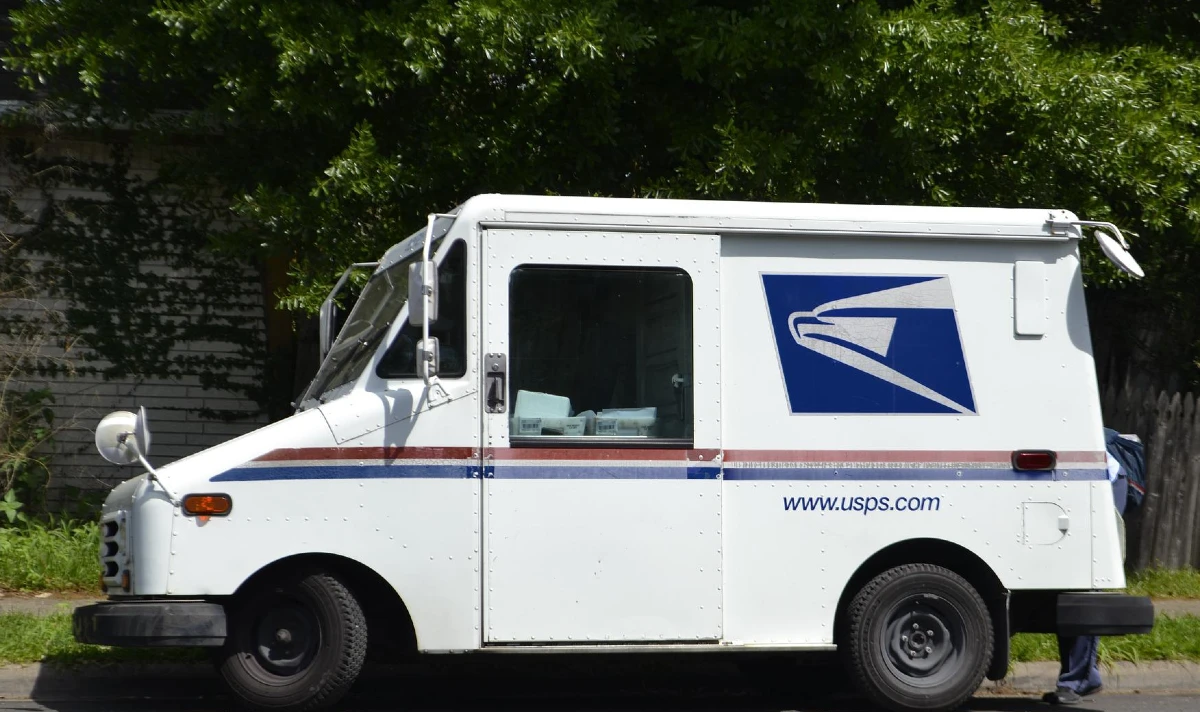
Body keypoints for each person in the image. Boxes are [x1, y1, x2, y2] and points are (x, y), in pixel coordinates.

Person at [1043, 430, 1134, 705]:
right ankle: (1081, 676)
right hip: (1078, 481)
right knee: (1067, 579)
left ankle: (1079, 680)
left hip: (1102, 482)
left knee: (1085, 577)